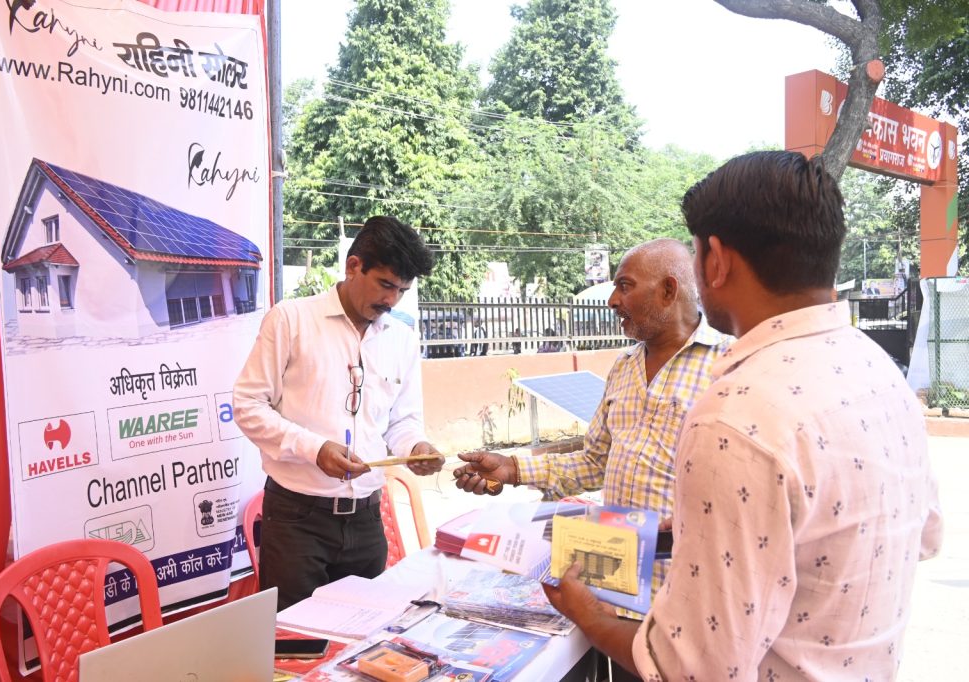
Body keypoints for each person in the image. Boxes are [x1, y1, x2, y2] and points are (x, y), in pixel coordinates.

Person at [542, 151, 943, 680]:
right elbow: (926, 535)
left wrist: (587, 613)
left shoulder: (734, 416)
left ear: (716, 261)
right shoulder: (880, 371)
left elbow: (692, 668)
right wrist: (693, 531)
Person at [453, 238, 732, 601]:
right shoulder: (623, 367)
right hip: (615, 583)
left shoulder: (728, 365)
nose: (612, 300)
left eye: (625, 286)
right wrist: (512, 469)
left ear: (668, 290)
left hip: (686, 590)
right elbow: (595, 462)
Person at [233, 215, 444, 611]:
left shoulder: (401, 338)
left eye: (402, 290)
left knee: (363, 646)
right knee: (295, 652)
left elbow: (402, 420)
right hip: (297, 520)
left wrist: (416, 445)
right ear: (353, 266)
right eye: (385, 284)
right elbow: (247, 405)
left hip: (367, 520)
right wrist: (314, 448)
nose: (391, 300)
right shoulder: (291, 320)